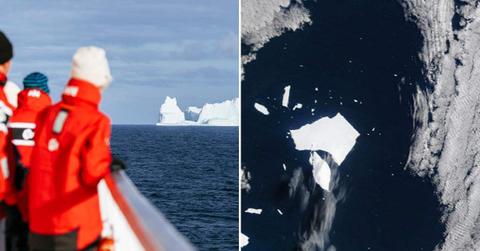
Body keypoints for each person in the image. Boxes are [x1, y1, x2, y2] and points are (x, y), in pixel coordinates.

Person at [28, 47, 114, 251]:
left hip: (39, 222)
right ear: (101, 81)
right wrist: (108, 161)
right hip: (73, 225)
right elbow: (93, 173)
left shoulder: (46, 114)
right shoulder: (96, 121)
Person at [4, 72, 52, 251]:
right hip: (43, 196)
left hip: (14, 195)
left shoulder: (10, 119)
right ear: (46, 92)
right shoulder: (53, 120)